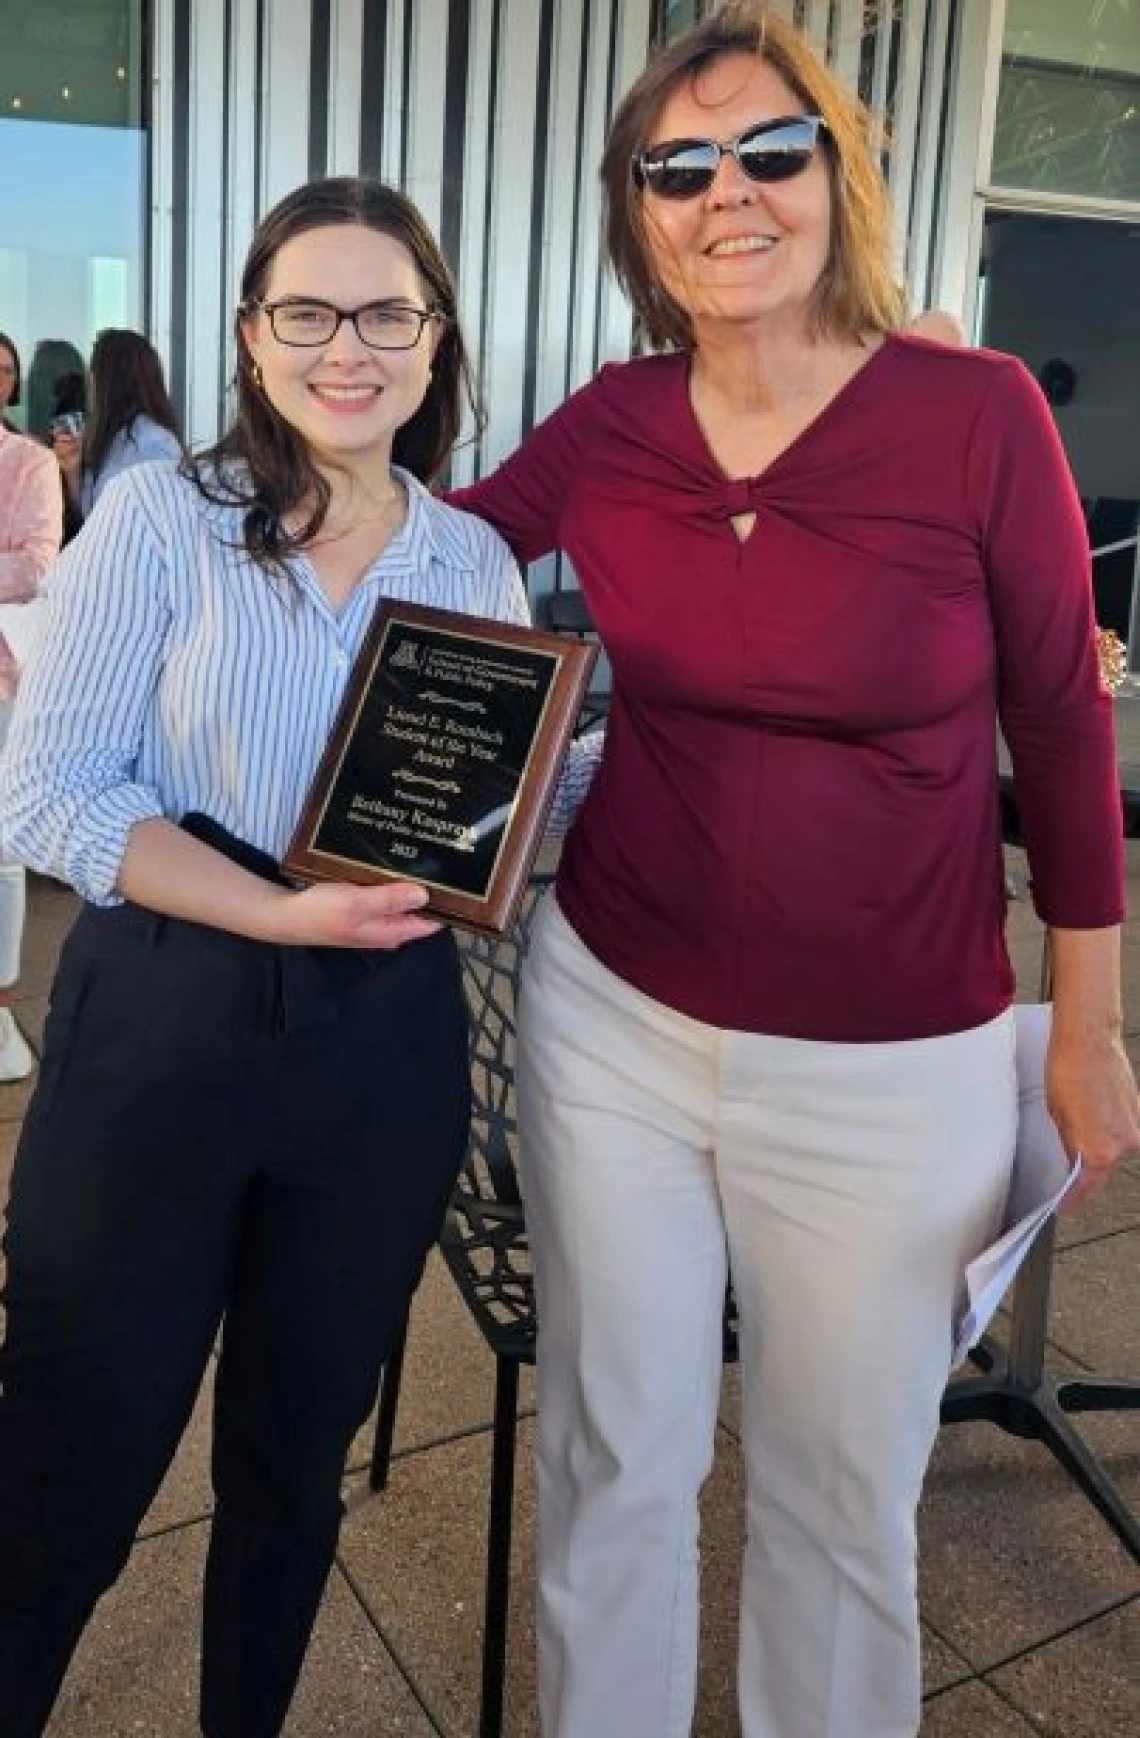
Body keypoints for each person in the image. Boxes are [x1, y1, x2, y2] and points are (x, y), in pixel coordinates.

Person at [447, 5, 1140, 1735]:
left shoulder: (977, 416)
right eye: (679, 168)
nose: (729, 193)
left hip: (894, 1057)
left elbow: (1062, 726)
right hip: (614, 1022)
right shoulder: (611, 421)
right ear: (640, 214)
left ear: (838, 172)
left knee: (840, 1503)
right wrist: (224, 513)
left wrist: (1084, 1023)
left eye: (771, 150)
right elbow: (442, 550)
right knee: (614, 1460)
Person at [0, 176, 536, 1738]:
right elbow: (46, 790)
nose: (346, 347)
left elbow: (501, 805)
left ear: (436, 342)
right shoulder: (165, 519)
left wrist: (568, 756)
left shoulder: (474, 566)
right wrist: (276, 913)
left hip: (379, 1051)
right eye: (307, 312)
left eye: (387, 312)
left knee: (293, 1463)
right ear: (251, 335)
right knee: (70, 1453)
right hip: (164, 1011)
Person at [0, 332, 63, 1080]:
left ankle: (2, 1004)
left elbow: (36, 565)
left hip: (3, 677)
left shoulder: (30, 463)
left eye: (7, 372)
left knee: (3, 856)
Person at [52, 327, 184, 524]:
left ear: (109, 381)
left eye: (93, 374)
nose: (90, 386)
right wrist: (72, 471)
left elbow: (108, 523)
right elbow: (95, 515)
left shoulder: (151, 445)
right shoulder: (119, 439)